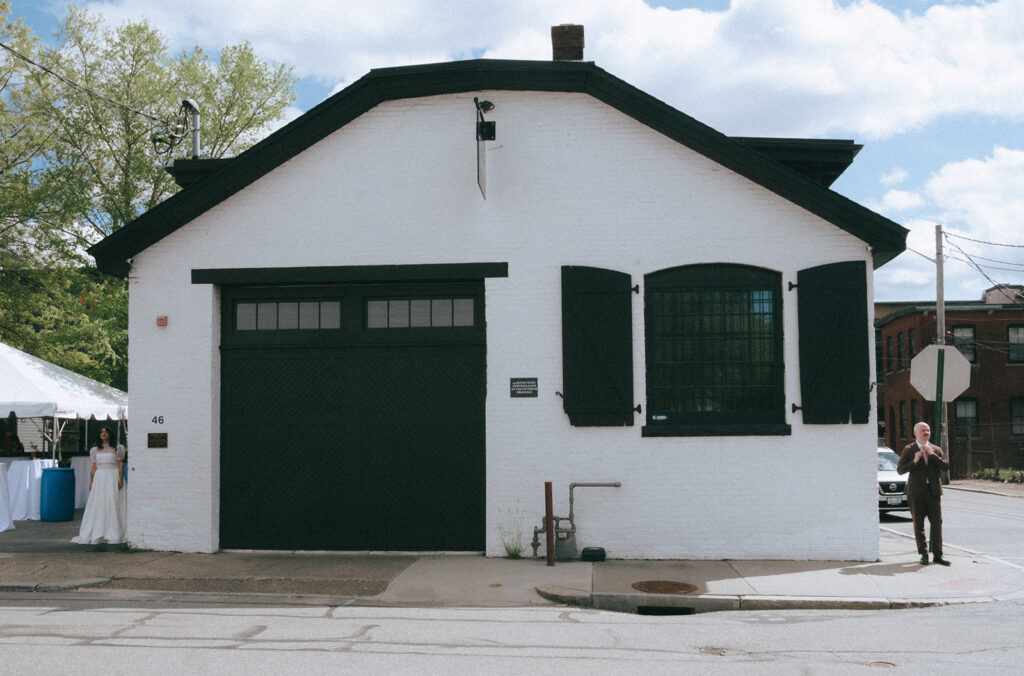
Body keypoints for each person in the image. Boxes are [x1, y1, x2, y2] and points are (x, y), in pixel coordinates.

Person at [897, 421, 951, 566]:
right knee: (918, 524)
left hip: (933, 491)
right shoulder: (909, 449)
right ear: (915, 433)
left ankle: (938, 555)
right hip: (916, 492)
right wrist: (914, 461)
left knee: (937, 523)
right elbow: (900, 470)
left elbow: (946, 466)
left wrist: (932, 455)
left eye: (928, 430)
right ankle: (924, 554)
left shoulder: (936, 449)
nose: (926, 432)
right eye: (923, 430)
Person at [72, 426, 127, 545]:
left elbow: (120, 464)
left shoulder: (117, 448)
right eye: (101, 432)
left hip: (112, 476)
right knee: (100, 503)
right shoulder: (95, 450)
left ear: (110, 434)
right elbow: (94, 466)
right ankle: (99, 531)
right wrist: (91, 481)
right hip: (100, 477)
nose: (104, 434)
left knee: (113, 502)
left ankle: (114, 532)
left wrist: (120, 478)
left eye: (106, 432)